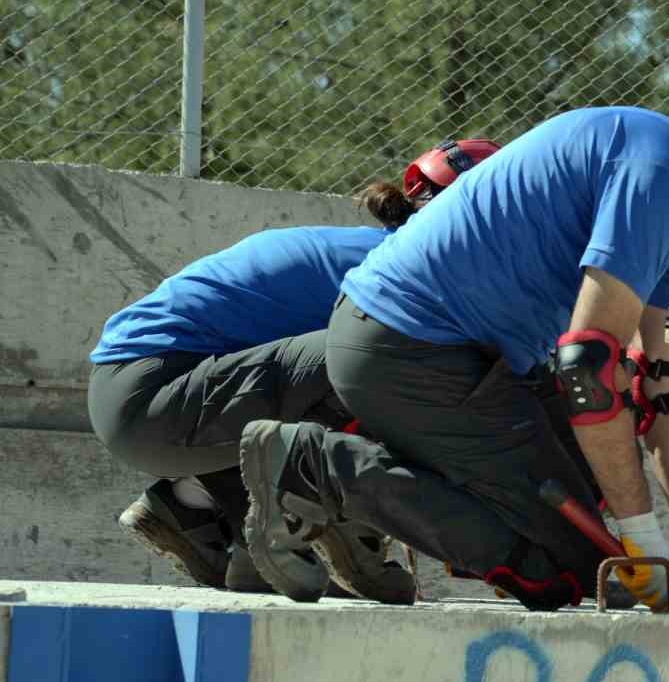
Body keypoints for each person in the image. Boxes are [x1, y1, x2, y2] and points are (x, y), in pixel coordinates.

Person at [235, 97, 669, 614]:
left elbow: (663, 394)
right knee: (575, 567)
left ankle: (362, 474)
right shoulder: (662, 174)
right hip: (409, 346)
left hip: (431, 346)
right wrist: (643, 543)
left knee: (594, 513)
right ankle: (319, 469)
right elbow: (588, 368)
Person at [88, 138, 500, 601]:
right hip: (154, 396)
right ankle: (340, 534)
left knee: (373, 366)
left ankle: (194, 509)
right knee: (386, 358)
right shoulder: (397, 273)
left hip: (151, 395)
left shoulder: (369, 252)